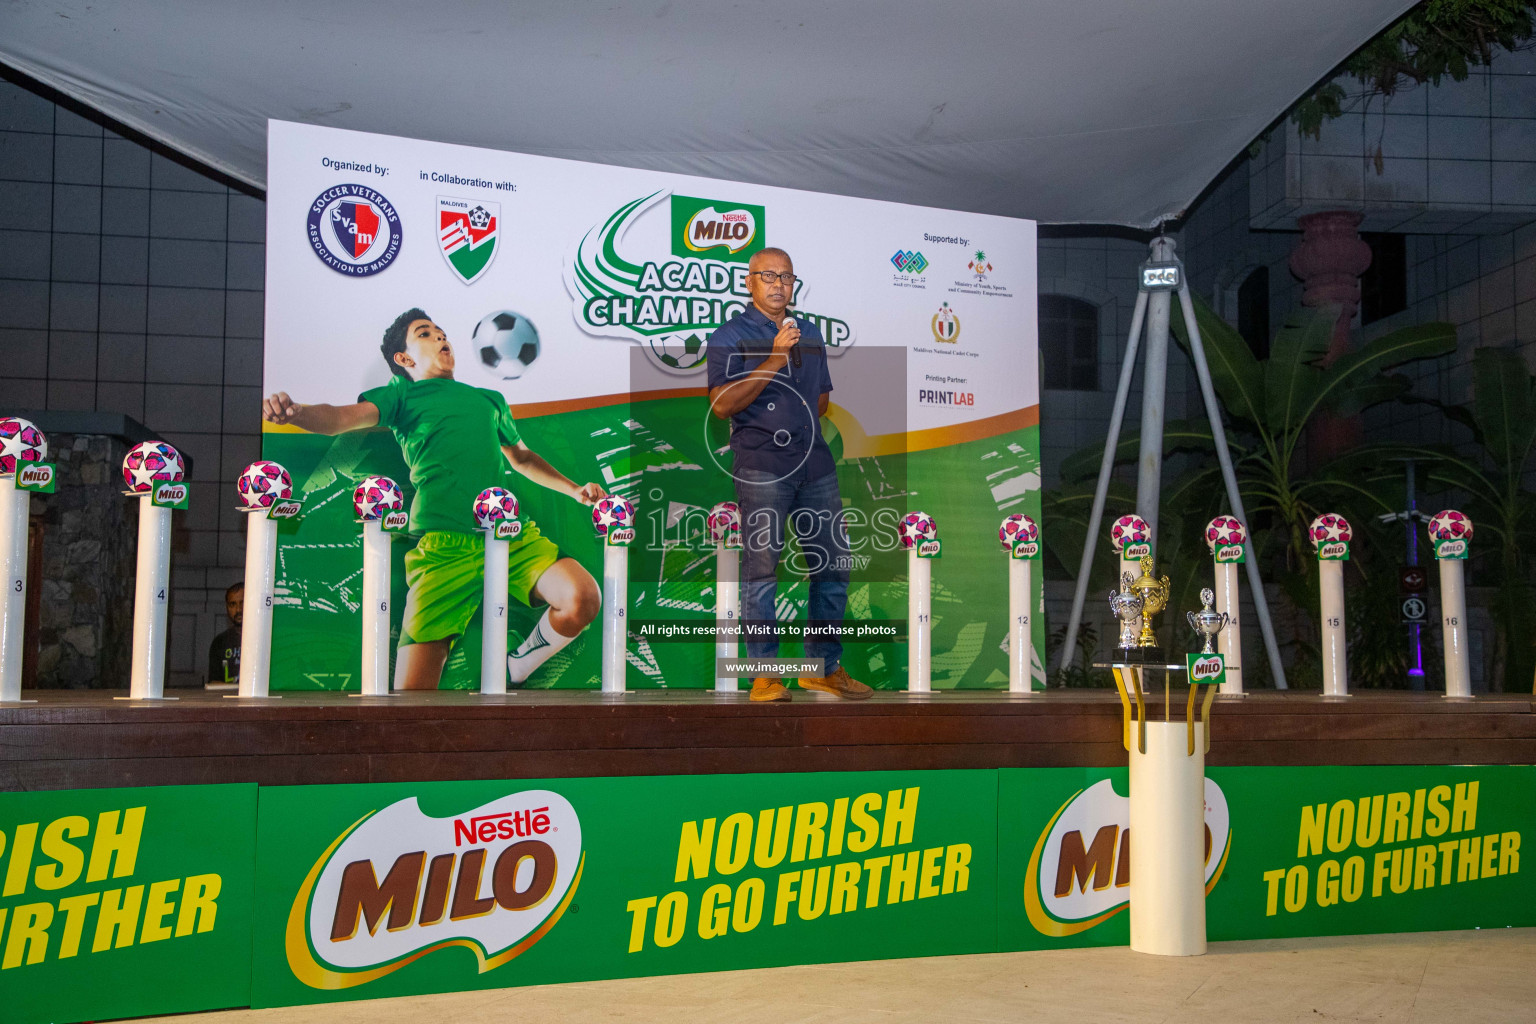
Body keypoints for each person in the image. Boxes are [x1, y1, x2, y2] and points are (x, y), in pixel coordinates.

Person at [262, 309, 605, 689]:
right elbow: (341, 418)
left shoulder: (490, 400)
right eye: (425, 334)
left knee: (582, 596)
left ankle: (518, 667)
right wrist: (296, 412)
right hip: (443, 548)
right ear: (405, 359)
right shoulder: (402, 394)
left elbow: (522, 458)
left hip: (508, 536)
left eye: (441, 331)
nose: (441, 337)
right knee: (412, 696)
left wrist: (574, 489)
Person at [706, 247, 873, 702]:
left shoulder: (811, 332)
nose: (778, 284)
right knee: (762, 569)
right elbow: (722, 405)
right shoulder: (730, 335)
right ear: (749, 282)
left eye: (786, 277)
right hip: (763, 466)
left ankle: (822, 668)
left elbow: (820, 400)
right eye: (768, 276)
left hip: (815, 463)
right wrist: (776, 359)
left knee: (834, 566)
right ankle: (765, 675)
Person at [206, 581, 243, 688]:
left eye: (242, 603)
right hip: (228, 702)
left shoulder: (266, 640)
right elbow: (213, 683)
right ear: (227, 607)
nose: (238, 609)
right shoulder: (220, 642)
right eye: (233, 604)